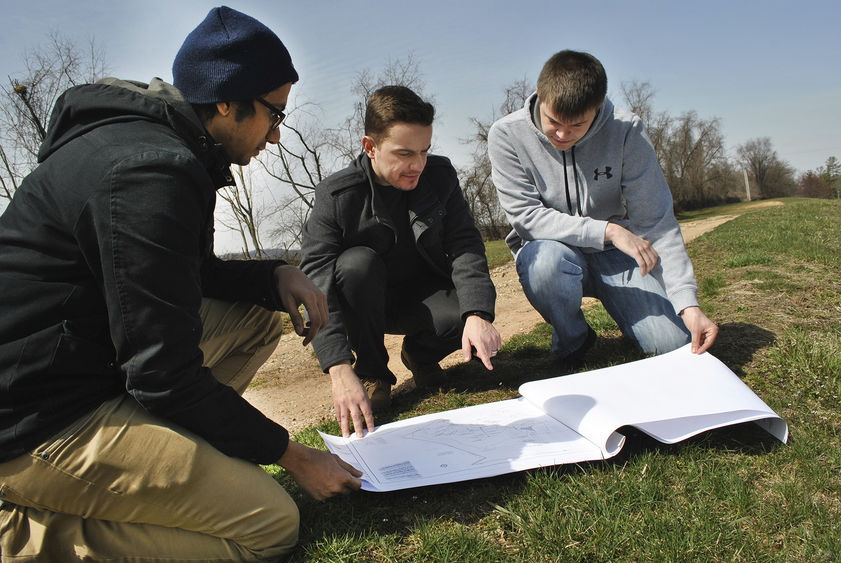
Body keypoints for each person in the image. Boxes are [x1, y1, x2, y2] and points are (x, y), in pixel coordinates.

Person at [0, 7, 361, 560]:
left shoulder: (162, 148)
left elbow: (190, 277)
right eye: (274, 114)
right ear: (225, 100)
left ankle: (177, 458)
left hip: (82, 365)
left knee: (260, 311)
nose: (278, 137)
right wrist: (294, 455)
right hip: (34, 420)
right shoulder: (150, 173)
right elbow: (163, 374)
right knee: (268, 524)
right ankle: (22, 535)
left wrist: (275, 273)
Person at [488, 50, 718, 366]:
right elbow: (526, 218)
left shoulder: (626, 131)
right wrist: (608, 230)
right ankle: (574, 341)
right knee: (542, 263)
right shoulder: (507, 134)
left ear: (597, 108)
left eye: (577, 125)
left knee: (673, 345)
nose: (562, 134)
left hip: (615, 257)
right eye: (553, 121)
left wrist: (687, 304)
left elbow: (657, 220)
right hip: (554, 253)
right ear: (540, 96)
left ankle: (639, 315)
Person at [300, 85, 501, 437]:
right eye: (405, 153)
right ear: (370, 146)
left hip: (425, 296)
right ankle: (373, 373)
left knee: (466, 311)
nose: (417, 165)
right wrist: (338, 366)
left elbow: (465, 242)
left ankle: (420, 356)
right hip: (364, 302)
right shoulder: (336, 196)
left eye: (424, 151)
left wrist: (478, 314)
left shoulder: (439, 177)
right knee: (356, 264)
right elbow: (316, 281)